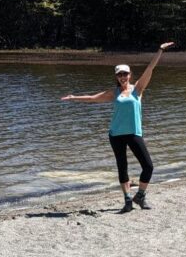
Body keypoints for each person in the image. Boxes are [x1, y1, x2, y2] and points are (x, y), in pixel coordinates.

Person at [61, 42, 175, 213]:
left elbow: (150, 69)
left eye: (125, 74)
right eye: (119, 74)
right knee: (122, 167)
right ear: (116, 77)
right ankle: (128, 200)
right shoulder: (113, 93)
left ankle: (140, 195)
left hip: (134, 133)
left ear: (130, 75)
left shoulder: (138, 89)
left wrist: (160, 50)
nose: (122, 77)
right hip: (116, 135)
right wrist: (73, 97)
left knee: (148, 166)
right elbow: (93, 99)